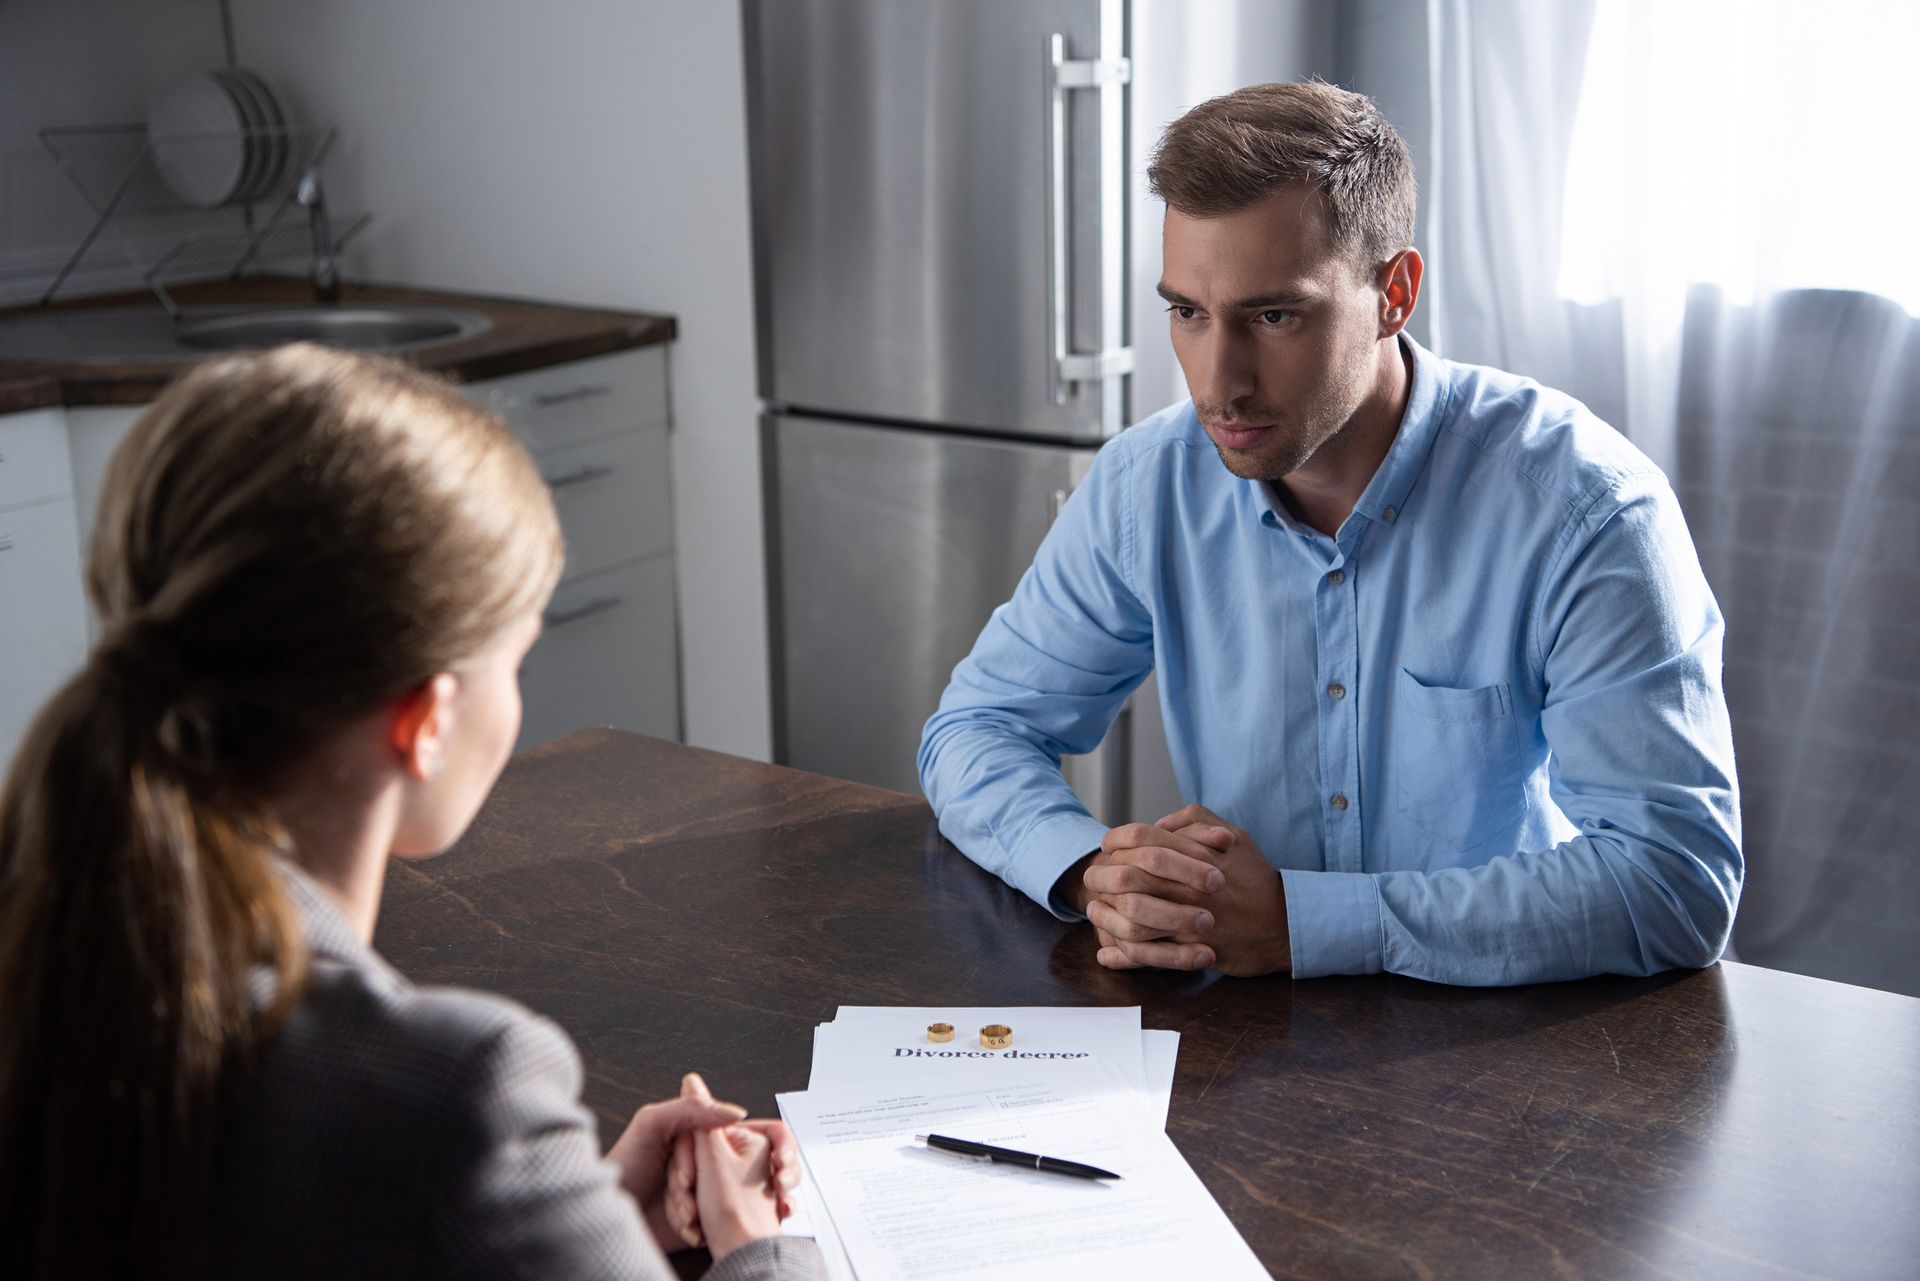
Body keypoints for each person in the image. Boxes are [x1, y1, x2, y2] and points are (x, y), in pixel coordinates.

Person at [0, 346, 825, 1281]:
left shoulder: (61, 971)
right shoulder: (456, 1092)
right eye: (515, 661)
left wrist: (560, 1210)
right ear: (425, 720)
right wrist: (764, 1249)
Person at [918, 81, 1742, 985]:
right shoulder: (1147, 483)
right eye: (1188, 312)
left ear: (1395, 293)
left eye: (1273, 316)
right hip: (1241, 1050)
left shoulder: (1587, 511)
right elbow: (978, 729)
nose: (1218, 382)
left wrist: (1306, 924)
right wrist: (1091, 870)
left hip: (1506, 1043)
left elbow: (1676, 879)